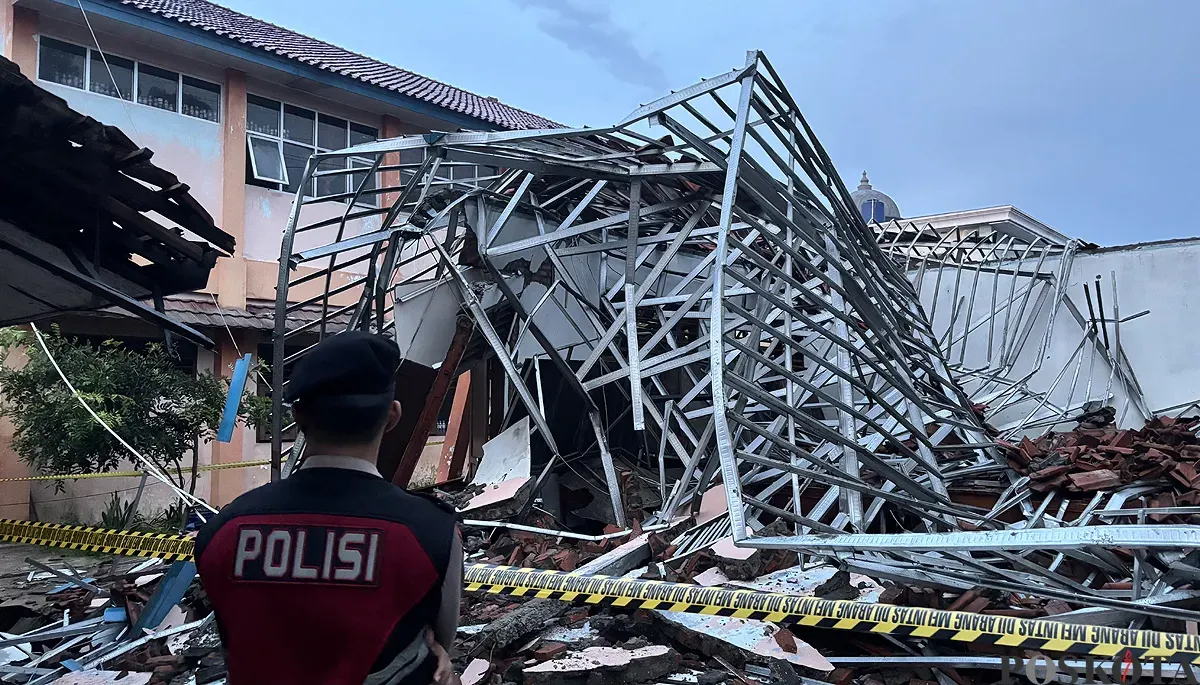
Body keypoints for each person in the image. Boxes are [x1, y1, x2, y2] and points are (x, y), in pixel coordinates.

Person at [195, 331, 462, 685]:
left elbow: (233, 642)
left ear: (298, 415)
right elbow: (439, 641)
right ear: (393, 415)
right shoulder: (433, 533)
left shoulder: (223, 532)